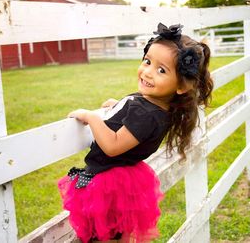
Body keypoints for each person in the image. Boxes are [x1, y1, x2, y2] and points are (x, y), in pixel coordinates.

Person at [58, 23, 214, 243]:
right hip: (123, 181)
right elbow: (136, 113)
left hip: (109, 185)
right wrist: (119, 106)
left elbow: (112, 146)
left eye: (161, 70)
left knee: (105, 237)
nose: (148, 72)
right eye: (148, 61)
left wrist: (91, 117)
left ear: (181, 86)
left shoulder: (146, 114)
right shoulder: (156, 106)